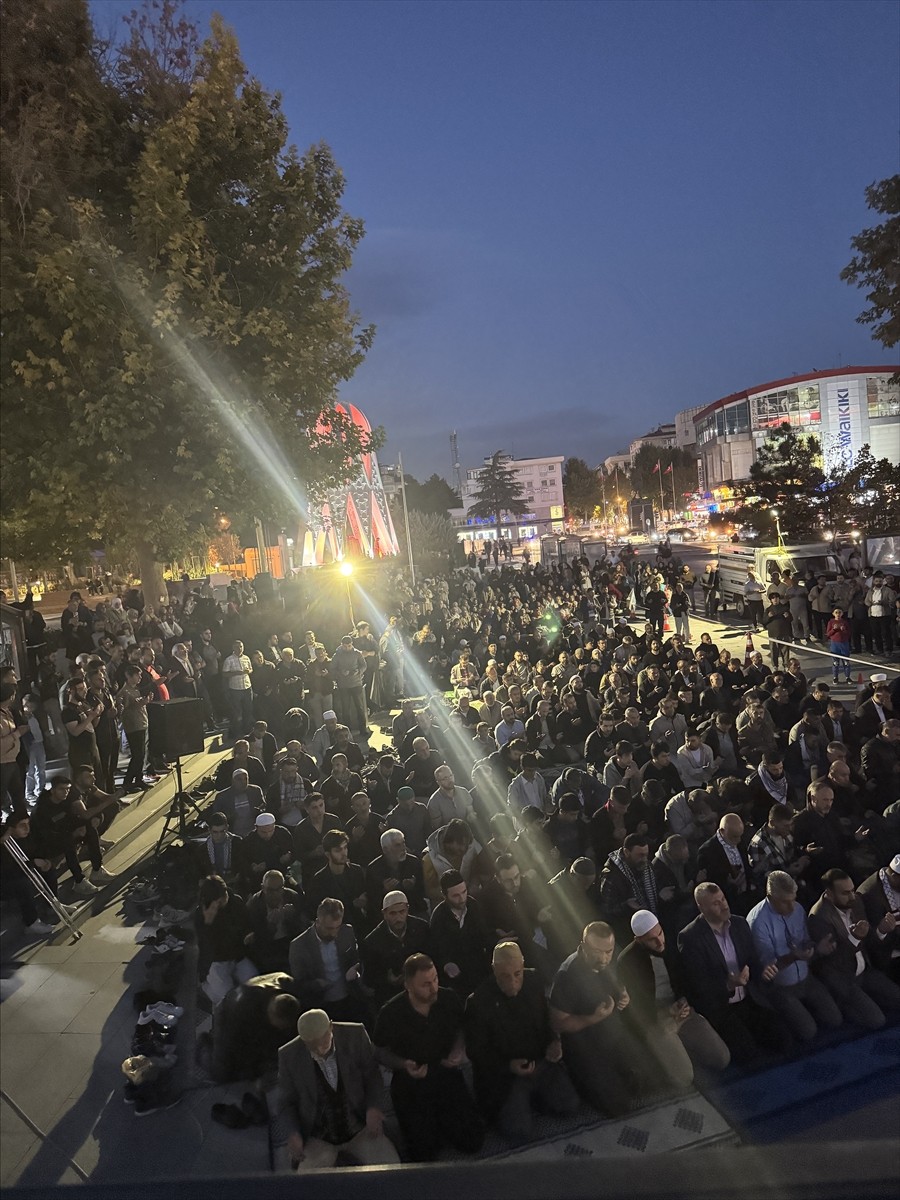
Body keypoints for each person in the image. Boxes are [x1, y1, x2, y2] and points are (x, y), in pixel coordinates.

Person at [373, 954, 484, 1161]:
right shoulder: (390, 1013)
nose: (433, 988)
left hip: (445, 1072)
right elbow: (379, 1052)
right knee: (423, 1154)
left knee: (473, 1141)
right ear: (408, 985)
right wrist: (403, 1064)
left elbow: (461, 1028)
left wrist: (458, 1050)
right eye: (425, 984)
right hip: (411, 1082)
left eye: (435, 980)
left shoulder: (448, 998)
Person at [464, 941, 579, 1141]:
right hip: (505, 1075)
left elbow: (546, 1019)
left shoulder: (533, 980)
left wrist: (554, 1041)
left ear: (523, 965)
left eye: (518, 974)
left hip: (539, 1061)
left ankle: (531, 1099)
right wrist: (508, 1066)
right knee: (518, 1132)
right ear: (494, 970)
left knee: (570, 1106)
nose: (513, 982)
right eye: (505, 976)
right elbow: (476, 1052)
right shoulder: (478, 1002)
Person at [548, 921, 655, 1115]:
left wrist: (623, 996)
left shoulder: (608, 960)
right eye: (598, 951)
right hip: (585, 1045)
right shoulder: (567, 975)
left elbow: (618, 987)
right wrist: (593, 1018)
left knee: (651, 1079)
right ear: (584, 946)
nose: (605, 958)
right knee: (617, 1106)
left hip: (613, 1034)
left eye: (609, 951)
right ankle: (579, 1079)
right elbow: (559, 1023)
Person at [617, 910, 730, 1089]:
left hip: (681, 1010)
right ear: (638, 940)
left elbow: (687, 980)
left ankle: (680, 1048)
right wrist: (664, 1013)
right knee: (683, 1079)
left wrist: (684, 1002)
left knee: (722, 1059)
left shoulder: (672, 944)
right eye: (651, 939)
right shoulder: (626, 962)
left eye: (660, 933)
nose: (660, 941)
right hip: (655, 1021)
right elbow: (634, 1009)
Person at [276, 1009, 398, 1171]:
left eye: (323, 1040)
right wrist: (294, 1133)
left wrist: (373, 1108)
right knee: (306, 1186)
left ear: (331, 1027)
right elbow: (286, 1103)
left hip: (360, 1129)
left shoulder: (355, 1035)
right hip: (319, 1138)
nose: (319, 1048)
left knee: (391, 1169)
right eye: (312, 1045)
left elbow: (372, 1077)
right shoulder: (289, 1055)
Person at [677, 883, 783, 1064]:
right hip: (721, 1007)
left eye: (723, 899)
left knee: (782, 1041)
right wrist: (728, 985)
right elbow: (697, 987)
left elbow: (752, 962)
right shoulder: (690, 938)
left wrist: (764, 971)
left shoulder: (739, 924)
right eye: (716, 903)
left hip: (749, 999)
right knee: (749, 1056)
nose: (724, 905)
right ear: (702, 908)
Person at [746, 870, 843, 1042]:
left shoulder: (797, 909)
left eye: (793, 899)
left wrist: (817, 948)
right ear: (770, 897)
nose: (792, 907)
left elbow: (806, 941)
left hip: (806, 978)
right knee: (808, 1032)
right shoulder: (757, 922)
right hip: (780, 987)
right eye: (785, 902)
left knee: (835, 1019)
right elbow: (768, 970)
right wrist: (793, 957)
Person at [807, 868, 900, 1029]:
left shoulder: (855, 902)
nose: (852, 896)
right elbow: (833, 961)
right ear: (829, 893)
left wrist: (881, 931)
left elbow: (869, 938)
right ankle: (842, 1005)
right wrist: (854, 938)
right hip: (843, 978)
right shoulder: (819, 918)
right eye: (845, 893)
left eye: (852, 890)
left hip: (863, 970)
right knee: (877, 1020)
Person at [209, 973, 300, 1084]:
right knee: (222, 1073)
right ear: (271, 1014)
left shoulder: (288, 984)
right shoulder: (243, 1012)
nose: (284, 1028)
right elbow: (242, 1048)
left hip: (252, 1001)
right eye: (282, 1025)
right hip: (226, 1013)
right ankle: (204, 1046)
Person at [288, 898, 363, 1021]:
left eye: (337, 927)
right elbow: (298, 983)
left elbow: (356, 958)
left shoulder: (347, 932)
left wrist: (355, 969)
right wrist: (316, 984)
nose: (334, 933)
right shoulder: (299, 946)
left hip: (349, 998)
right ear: (317, 922)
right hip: (321, 1004)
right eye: (329, 928)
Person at [362, 890, 431, 1008]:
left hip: (422, 991)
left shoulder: (422, 928)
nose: (398, 917)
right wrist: (387, 979)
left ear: (407, 909)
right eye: (393, 913)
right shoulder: (373, 941)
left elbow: (432, 957)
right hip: (392, 998)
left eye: (402, 912)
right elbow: (369, 978)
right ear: (384, 913)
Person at [429, 869, 491, 996]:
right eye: (455, 895)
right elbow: (438, 951)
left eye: (464, 892)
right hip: (456, 978)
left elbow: (483, 936)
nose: (462, 898)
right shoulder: (438, 918)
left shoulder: (473, 906)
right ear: (444, 895)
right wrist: (446, 964)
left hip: (479, 970)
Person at [195, 874, 255, 1005]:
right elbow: (206, 945)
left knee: (255, 985)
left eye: (224, 895)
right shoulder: (202, 914)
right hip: (217, 961)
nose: (224, 900)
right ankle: (206, 987)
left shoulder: (236, 902)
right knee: (228, 999)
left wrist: (248, 934)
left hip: (238, 954)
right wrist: (208, 923)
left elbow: (247, 923)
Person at [245, 871, 307, 974]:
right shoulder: (254, 905)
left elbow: (302, 929)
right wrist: (270, 926)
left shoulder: (293, 897)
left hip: (289, 943)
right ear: (263, 888)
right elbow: (255, 941)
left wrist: (292, 917)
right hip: (268, 950)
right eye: (270, 890)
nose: (274, 894)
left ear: (283, 888)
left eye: (278, 889)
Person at [696, 814, 754, 914]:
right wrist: (731, 884)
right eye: (735, 837)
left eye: (740, 835)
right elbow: (709, 885)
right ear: (722, 831)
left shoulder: (740, 839)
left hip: (748, 896)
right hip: (728, 903)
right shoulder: (707, 851)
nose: (739, 840)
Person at [222, 639, 254, 742]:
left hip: (247, 686)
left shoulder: (246, 658)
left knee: (248, 710)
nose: (239, 649)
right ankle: (236, 732)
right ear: (233, 648)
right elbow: (225, 674)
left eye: (241, 646)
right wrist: (237, 673)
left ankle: (247, 731)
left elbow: (251, 669)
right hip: (235, 688)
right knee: (236, 712)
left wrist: (248, 671)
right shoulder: (229, 660)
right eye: (237, 647)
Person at [825, 608, 852, 684]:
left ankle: (847, 677)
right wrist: (834, 629)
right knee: (835, 662)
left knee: (846, 662)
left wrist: (844, 630)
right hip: (835, 644)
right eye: (836, 612)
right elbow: (828, 634)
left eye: (839, 612)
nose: (838, 614)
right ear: (833, 613)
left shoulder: (845, 622)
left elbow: (849, 633)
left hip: (844, 644)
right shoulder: (831, 622)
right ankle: (835, 677)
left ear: (842, 613)